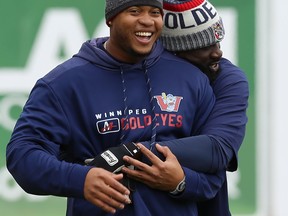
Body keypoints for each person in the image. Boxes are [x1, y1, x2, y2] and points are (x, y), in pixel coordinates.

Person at [6, 0, 227, 215]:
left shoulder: (190, 79)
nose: (147, 21)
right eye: (134, 11)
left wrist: (181, 182)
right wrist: (81, 179)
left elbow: (215, 175)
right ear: (111, 18)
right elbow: (23, 156)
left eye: (155, 12)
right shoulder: (64, 83)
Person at [122, 0, 249, 215]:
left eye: (217, 42)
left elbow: (217, 152)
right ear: (174, 53)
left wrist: (128, 153)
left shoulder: (228, 79)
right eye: (203, 46)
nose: (217, 53)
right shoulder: (136, 77)